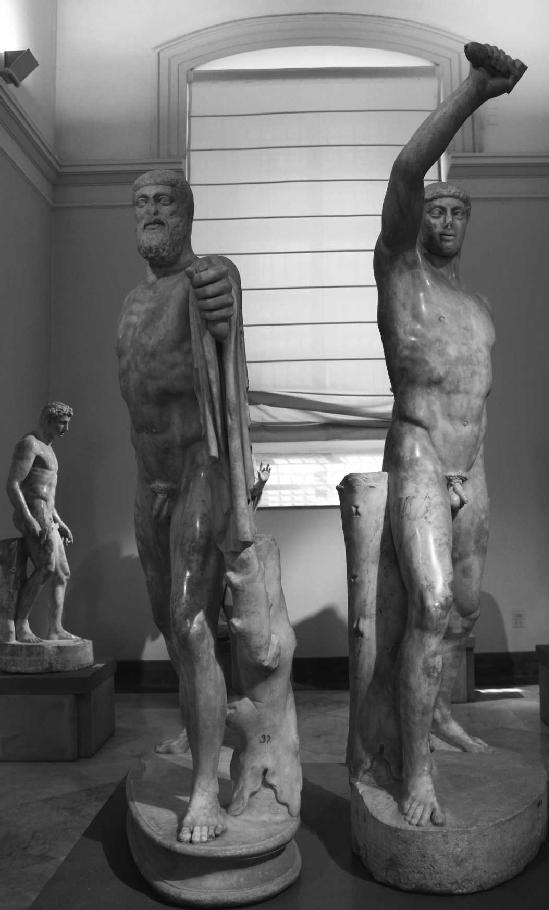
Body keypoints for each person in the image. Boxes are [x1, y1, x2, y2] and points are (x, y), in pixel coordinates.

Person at [118, 170, 299, 846]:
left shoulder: (206, 278)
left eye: (164, 200)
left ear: (188, 212)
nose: (152, 211)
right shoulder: (131, 304)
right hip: (150, 480)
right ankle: (205, 729)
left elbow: (223, 298)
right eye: (142, 202)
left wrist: (225, 297)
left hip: (200, 467)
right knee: (169, 626)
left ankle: (203, 792)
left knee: (191, 622)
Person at [375, 43, 526, 827]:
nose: (441, 220)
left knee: (461, 609)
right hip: (420, 452)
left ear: (467, 220)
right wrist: (475, 92)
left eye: (454, 211)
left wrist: (476, 480)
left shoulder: (480, 310)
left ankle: (436, 715)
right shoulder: (399, 273)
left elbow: (481, 404)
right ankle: (415, 773)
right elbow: (407, 168)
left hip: (474, 464)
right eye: (432, 210)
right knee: (430, 606)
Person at [5, 402, 75, 643]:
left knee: (62, 573)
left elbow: (47, 493)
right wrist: (28, 518)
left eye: (67, 424)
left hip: (46, 513)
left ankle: (55, 628)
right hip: (34, 511)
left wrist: (59, 521)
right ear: (48, 420)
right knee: (46, 567)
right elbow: (13, 485)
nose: (66, 429)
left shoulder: (49, 449)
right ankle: (21, 625)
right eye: (62, 423)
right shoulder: (30, 444)